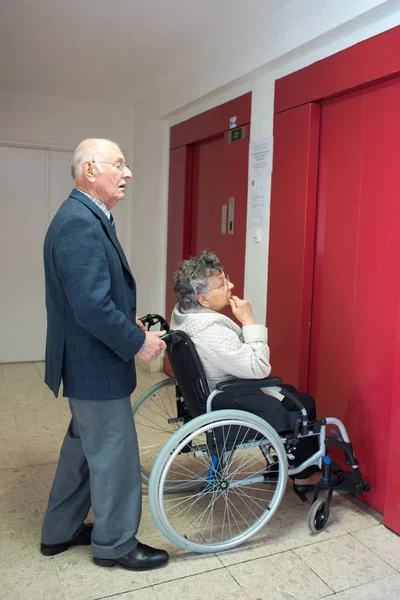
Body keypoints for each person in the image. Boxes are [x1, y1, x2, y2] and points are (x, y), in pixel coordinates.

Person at [40, 138, 169, 571]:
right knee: (114, 452)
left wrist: (125, 322)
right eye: (119, 164)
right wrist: (139, 342)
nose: (127, 172)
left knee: (83, 448)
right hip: (93, 365)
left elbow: (92, 295)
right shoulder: (79, 222)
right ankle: (115, 545)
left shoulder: (88, 215)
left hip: (87, 359)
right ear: (90, 170)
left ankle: (59, 530)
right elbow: (91, 306)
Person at [170, 250, 321, 495]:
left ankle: (283, 461)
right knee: (303, 403)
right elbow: (259, 368)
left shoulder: (183, 315)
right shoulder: (211, 331)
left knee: (289, 392)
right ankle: (304, 475)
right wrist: (249, 321)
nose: (231, 285)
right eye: (222, 284)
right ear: (203, 300)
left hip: (210, 394)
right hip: (227, 401)